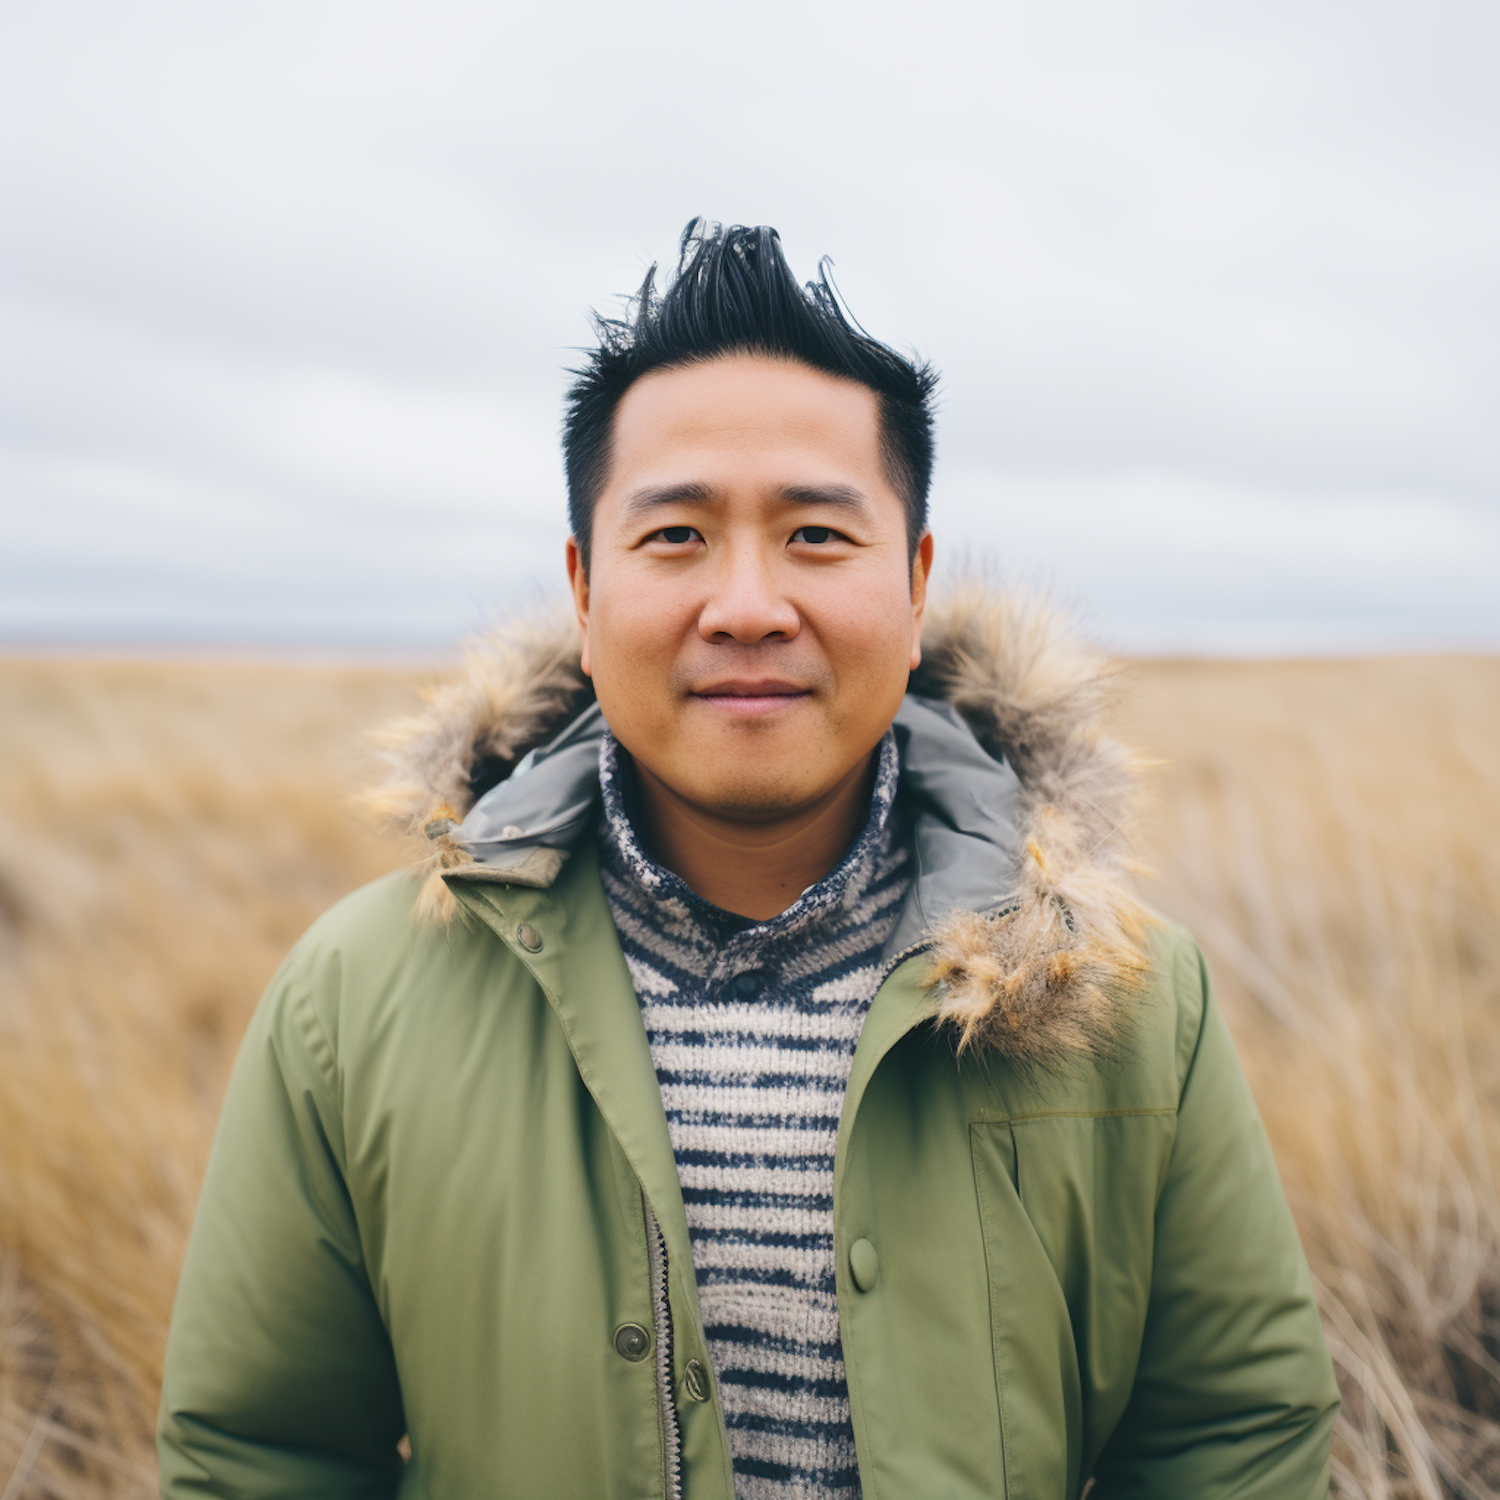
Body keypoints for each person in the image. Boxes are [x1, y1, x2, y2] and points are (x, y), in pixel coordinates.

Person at [158, 220, 1339, 1499]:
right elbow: (265, 1453)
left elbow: (1232, 1435)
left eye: (818, 537)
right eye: (675, 537)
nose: (747, 604)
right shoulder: (354, 1002)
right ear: (584, 588)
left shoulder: (1131, 1000)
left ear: (915, 579)